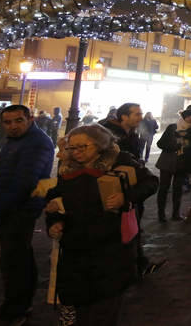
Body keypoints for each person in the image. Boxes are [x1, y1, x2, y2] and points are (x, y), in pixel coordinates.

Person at [45, 124, 158, 325]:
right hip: (75, 245)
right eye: (72, 148)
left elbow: (150, 183)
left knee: (105, 306)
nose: (76, 152)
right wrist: (55, 221)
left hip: (111, 246)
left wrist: (126, 197)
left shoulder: (120, 161)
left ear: (100, 144)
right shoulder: (67, 167)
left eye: (83, 147)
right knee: (80, 301)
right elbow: (56, 197)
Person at [0, 105, 55, 324]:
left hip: (20, 209)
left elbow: (24, 184)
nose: (13, 126)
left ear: (29, 119)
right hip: (8, 206)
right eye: (8, 122)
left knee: (15, 260)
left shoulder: (37, 143)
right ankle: (18, 303)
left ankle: (17, 308)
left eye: (18, 121)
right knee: (17, 258)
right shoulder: (15, 140)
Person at [154, 110, 189, 222]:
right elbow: (160, 143)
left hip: (182, 164)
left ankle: (176, 214)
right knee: (164, 188)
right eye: (187, 117)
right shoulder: (172, 127)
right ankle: (161, 214)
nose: (190, 119)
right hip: (167, 162)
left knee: (178, 189)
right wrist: (175, 147)